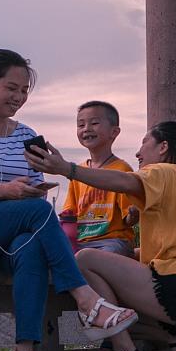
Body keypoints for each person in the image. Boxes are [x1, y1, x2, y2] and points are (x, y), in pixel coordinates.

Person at [0, 49, 138, 351]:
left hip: (9, 230)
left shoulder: (24, 135)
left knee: (29, 248)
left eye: (24, 90)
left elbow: (31, 191)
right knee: (36, 214)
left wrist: (34, 189)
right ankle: (87, 300)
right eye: (11, 88)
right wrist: (7, 191)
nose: (18, 97)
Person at [25, 120, 176, 351]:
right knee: (115, 305)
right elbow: (167, 248)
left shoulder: (166, 170)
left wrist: (68, 169)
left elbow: (123, 181)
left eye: (143, 144)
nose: (138, 153)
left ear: (163, 147)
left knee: (84, 261)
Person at [61, 101, 138, 258]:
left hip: (112, 241)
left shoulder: (122, 170)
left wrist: (134, 215)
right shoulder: (78, 173)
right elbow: (70, 214)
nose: (86, 129)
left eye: (94, 123)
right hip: (82, 241)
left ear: (114, 132)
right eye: (80, 125)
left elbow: (128, 219)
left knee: (107, 255)